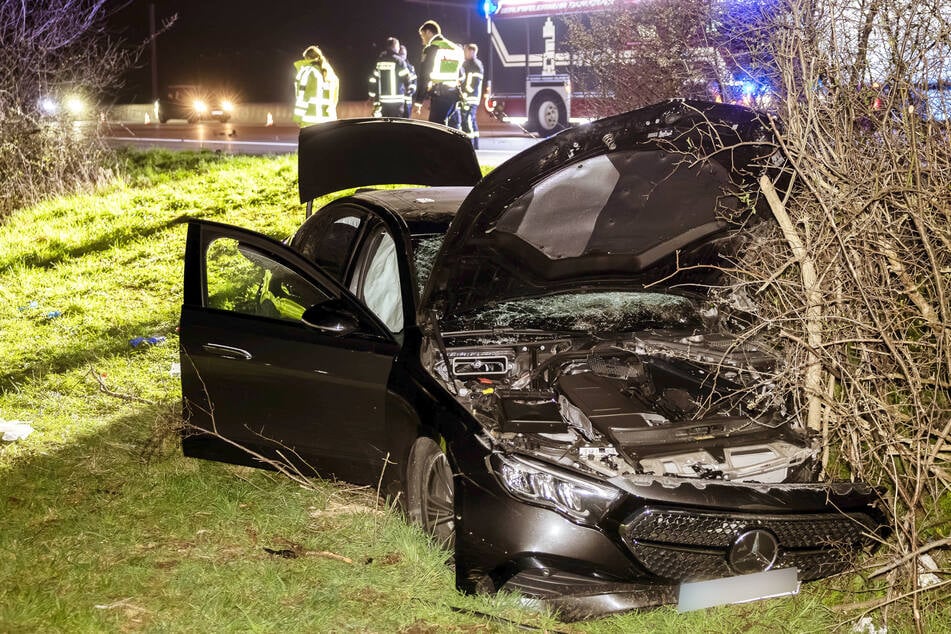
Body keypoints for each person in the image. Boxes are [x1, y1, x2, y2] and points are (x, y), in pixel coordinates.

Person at [413, 20, 463, 127]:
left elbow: (424, 76)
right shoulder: (455, 48)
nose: (423, 40)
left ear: (428, 32)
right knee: (450, 128)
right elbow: (461, 73)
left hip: (440, 95)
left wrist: (419, 101)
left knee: (436, 129)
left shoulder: (431, 48)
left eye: (422, 36)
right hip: (454, 96)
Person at [293, 45, 339, 126]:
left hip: (310, 121)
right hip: (328, 120)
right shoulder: (331, 75)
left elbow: (302, 97)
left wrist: (298, 118)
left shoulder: (307, 72)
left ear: (307, 58)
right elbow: (334, 100)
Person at [368, 37, 414, 118]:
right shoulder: (399, 61)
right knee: (397, 124)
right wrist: (409, 91)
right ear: (395, 46)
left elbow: (373, 80)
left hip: (383, 100)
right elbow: (407, 79)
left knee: (385, 124)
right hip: (397, 101)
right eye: (398, 46)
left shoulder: (380, 61)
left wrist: (371, 95)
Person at [457, 43, 484, 148]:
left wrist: (465, 93)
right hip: (469, 97)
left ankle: (470, 144)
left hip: (470, 97)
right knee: (471, 120)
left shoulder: (475, 65)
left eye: (466, 51)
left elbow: (474, 83)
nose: (465, 53)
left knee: (467, 119)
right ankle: (475, 145)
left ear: (472, 51)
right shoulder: (468, 64)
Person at [399, 44, 417, 118]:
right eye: (401, 54)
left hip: (407, 101)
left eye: (404, 54)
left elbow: (414, 82)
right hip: (397, 102)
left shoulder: (410, 67)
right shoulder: (396, 65)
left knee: (406, 122)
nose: (403, 56)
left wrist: (411, 90)